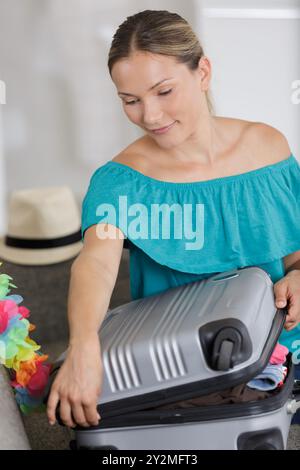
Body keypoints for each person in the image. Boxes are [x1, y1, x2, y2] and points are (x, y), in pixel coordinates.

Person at [46, 9, 300, 429]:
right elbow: (97, 261)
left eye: (163, 91)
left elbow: (293, 252)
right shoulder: (120, 182)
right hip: (186, 366)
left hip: (281, 344)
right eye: (130, 101)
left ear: (202, 72)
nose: (150, 116)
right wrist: (84, 346)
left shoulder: (268, 147)